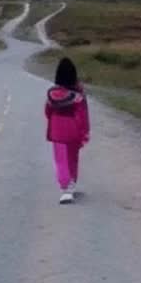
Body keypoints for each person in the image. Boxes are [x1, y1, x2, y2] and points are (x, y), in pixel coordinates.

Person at [45, 56, 90, 204]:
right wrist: (84, 131)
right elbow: (83, 114)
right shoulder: (78, 94)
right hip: (73, 128)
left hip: (57, 128)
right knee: (72, 158)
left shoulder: (51, 94)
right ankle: (72, 184)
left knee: (60, 160)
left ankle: (65, 189)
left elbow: (47, 112)